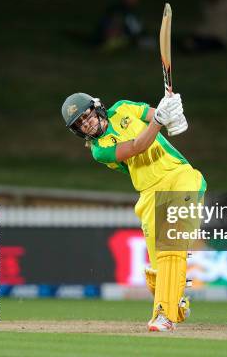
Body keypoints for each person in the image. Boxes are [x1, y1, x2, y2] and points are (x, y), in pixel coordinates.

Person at [61, 92, 205, 331]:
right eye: (79, 123)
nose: (85, 123)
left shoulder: (123, 108)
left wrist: (173, 112)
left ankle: (163, 316)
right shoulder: (100, 150)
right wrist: (160, 119)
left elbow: (157, 115)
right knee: (158, 271)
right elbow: (138, 145)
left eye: (85, 116)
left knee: (172, 242)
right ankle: (175, 305)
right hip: (149, 193)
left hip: (180, 175)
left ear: (97, 108)